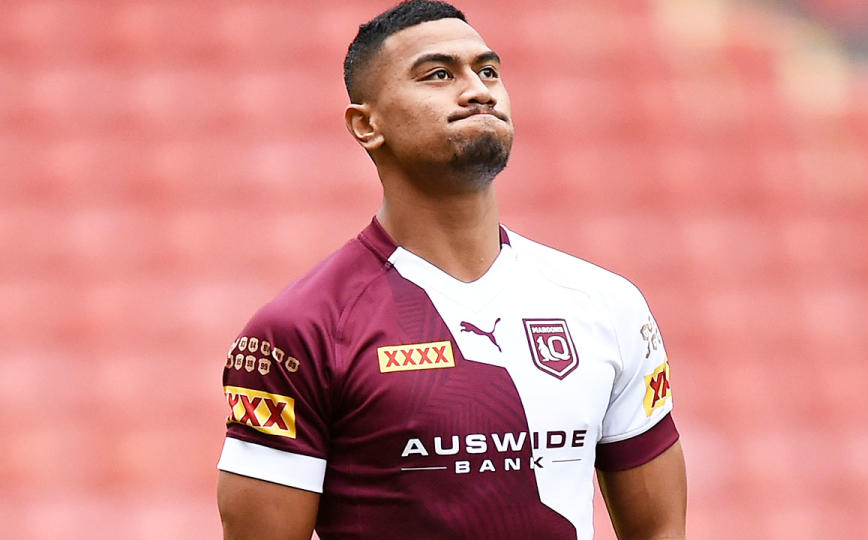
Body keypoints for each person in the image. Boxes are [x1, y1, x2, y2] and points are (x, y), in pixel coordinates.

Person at [216, 1, 687, 538]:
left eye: (487, 71)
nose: (478, 90)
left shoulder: (607, 305)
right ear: (367, 125)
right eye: (439, 74)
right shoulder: (301, 331)